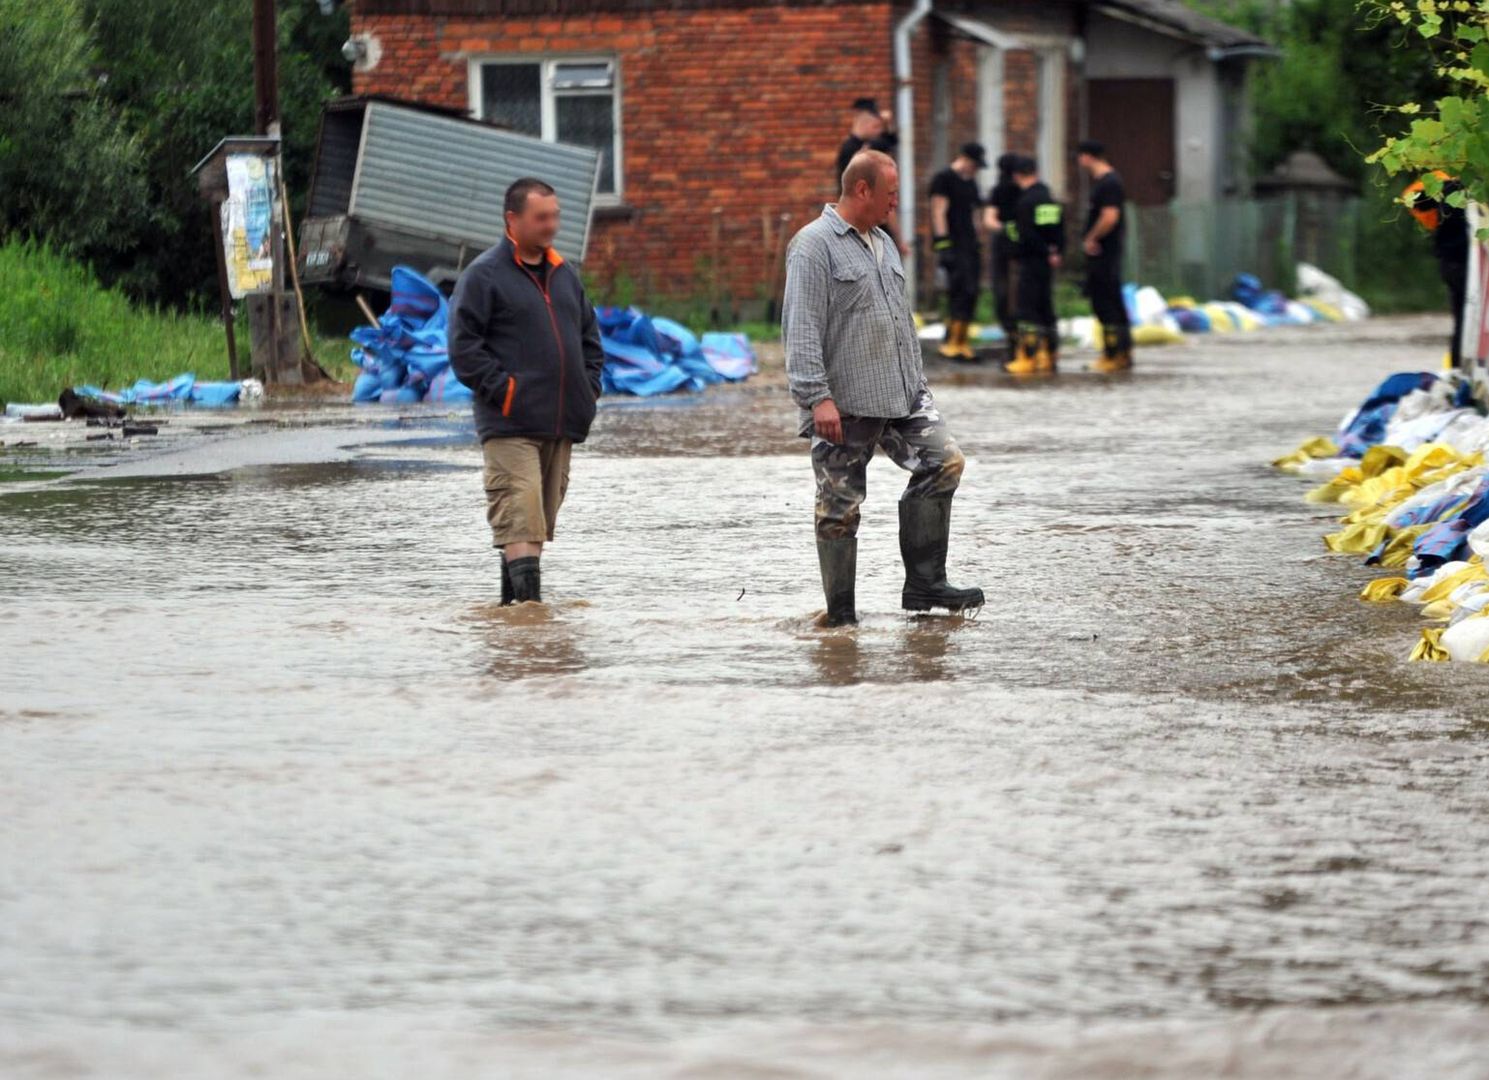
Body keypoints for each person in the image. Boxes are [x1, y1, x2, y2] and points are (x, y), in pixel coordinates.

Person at [782, 149, 985, 627]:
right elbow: (801, 328)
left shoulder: (885, 243)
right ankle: (841, 618)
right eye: (891, 195)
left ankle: (924, 584)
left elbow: (899, 320)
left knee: (945, 460)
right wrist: (817, 398)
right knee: (839, 508)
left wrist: (918, 383)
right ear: (862, 190)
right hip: (844, 402)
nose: (896, 204)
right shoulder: (813, 246)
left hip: (901, 393)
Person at [449, 177, 606, 605]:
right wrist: (506, 392)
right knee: (520, 519)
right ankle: (531, 625)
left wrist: (587, 389)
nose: (551, 225)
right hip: (509, 424)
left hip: (561, 424)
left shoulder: (565, 274)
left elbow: (590, 339)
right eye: (541, 217)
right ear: (512, 220)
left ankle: (511, 624)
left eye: (555, 215)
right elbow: (464, 348)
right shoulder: (484, 276)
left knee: (534, 524)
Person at [1004, 156, 1064, 377]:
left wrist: (1039, 251)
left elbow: (1026, 234)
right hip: (1049, 261)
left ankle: (1028, 358)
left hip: (1031, 259)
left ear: (1018, 175)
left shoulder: (1025, 201)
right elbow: (1060, 229)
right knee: (1045, 306)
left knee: (1027, 308)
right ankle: (1050, 355)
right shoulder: (1049, 198)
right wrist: (1055, 251)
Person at [1077, 140, 1133, 374]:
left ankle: (1113, 354)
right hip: (1106, 252)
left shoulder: (1108, 183)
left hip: (1104, 253)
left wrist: (1091, 238)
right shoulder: (1105, 182)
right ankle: (1121, 353)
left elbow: (1110, 217)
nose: (1079, 161)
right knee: (1111, 301)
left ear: (1089, 157)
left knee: (1105, 302)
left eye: (1080, 156)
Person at [930, 142, 988, 361]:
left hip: (969, 243)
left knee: (971, 291)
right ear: (964, 158)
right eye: (974, 165)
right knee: (958, 289)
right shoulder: (944, 179)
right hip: (953, 243)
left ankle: (962, 341)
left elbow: (974, 213)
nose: (975, 170)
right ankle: (951, 341)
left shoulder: (971, 183)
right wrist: (943, 243)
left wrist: (979, 236)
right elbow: (938, 210)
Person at [1406, 171, 1471, 367]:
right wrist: (1451, 186)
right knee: (1465, 320)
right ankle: (1460, 369)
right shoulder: (1446, 183)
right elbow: (1414, 200)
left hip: (1454, 261)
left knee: (1465, 319)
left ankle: (1459, 368)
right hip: (1459, 262)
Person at [983, 152, 1023, 358]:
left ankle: (1013, 340)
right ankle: (1019, 342)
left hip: (1004, 249)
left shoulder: (998, 191)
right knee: (1015, 294)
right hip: (1019, 249)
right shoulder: (1024, 190)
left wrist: (1004, 229)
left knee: (1004, 294)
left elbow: (989, 220)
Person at [835, 97, 898, 179]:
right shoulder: (849, 148)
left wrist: (887, 124)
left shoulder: (872, 143)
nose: (879, 131)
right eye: (876, 127)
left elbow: (892, 141)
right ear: (865, 124)